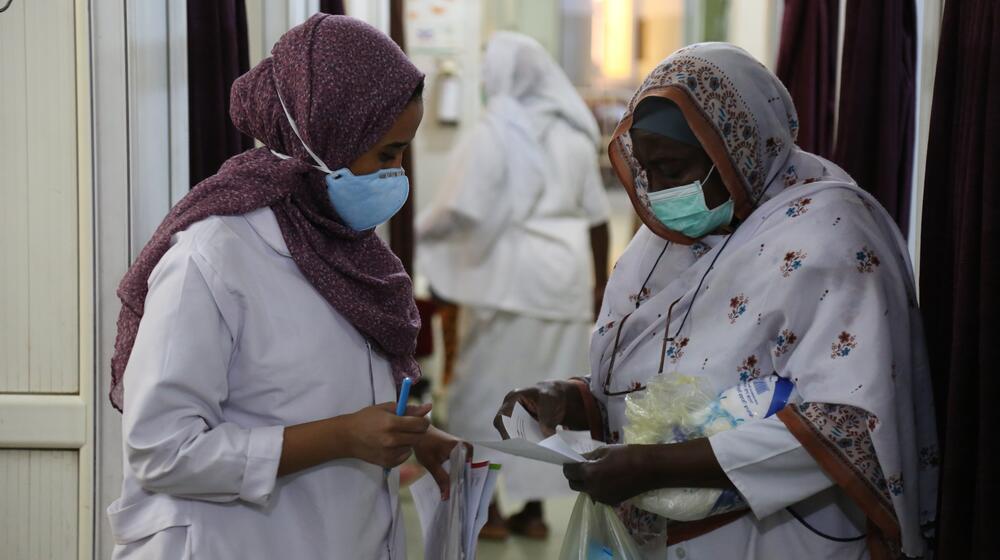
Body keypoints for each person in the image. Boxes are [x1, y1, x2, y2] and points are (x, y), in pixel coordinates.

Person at [494, 43, 938, 558]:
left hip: (778, 536)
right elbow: (656, 382)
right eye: (647, 169)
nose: (655, 191)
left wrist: (655, 466)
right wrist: (570, 399)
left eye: (674, 169)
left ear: (738, 148)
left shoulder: (831, 238)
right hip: (660, 535)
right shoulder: (663, 244)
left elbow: (851, 426)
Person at [106, 15, 463, 559]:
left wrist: (403, 435)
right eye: (386, 155)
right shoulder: (214, 256)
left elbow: (317, 389)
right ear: (328, 138)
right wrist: (342, 437)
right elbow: (162, 451)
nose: (396, 175)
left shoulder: (349, 250)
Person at [417, 31, 611, 539]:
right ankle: (535, 512)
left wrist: (419, 231)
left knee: (488, 391)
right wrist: (596, 282)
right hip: (565, 279)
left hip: (509, 279)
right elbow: (596, 218)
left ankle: (492, 509)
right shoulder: (575, 130)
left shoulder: (498, 129)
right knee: (554, 397)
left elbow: (465, 204)